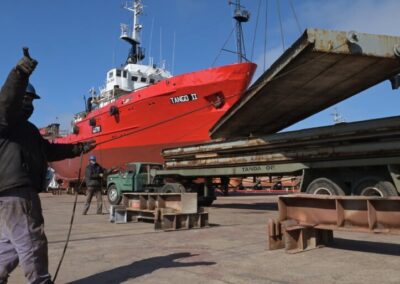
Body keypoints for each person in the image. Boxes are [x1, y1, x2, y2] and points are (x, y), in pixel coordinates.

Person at [0, 48, 96, 284]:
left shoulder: (29, 130)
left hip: (12, 195)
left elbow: (50, 151)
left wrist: (78, 148)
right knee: (32, 241)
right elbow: (7, 99)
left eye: (33, 101)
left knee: (11, 244)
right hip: (17, 192)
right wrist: (21, 73)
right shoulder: (5, 120)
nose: (30, 104)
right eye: (27, 99)